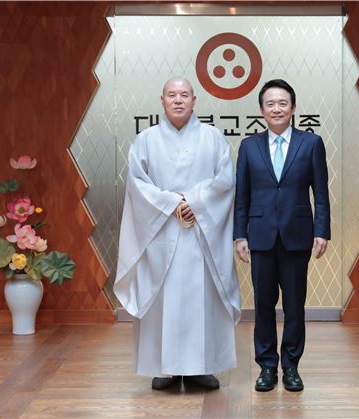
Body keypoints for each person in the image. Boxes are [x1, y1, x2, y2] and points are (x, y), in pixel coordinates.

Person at [114, 77, 241, 391]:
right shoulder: (145, 140)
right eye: (172, 95)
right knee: (162, 301)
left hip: (202, 234)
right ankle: (164, 367)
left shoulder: (213, 138)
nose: (178, 100)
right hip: (160, 232)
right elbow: (137, 185)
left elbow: (225, 180)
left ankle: (202, 367)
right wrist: (171, 204)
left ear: (195, 100)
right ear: (162, 100)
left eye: (184, 95)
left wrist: (193, 202)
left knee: (203, 299)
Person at [233, 79, 330, 392]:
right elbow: (242, 196)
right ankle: (266, 367)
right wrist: (239, 235)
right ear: (262, 110)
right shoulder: (249, 146)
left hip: (297, 235)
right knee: (262, 305)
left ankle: (291, 366)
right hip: (259, 236)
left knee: (294, 305)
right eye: (270, 104)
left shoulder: (311, 143)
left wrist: (322, 230)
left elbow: (321, 193)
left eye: (282, 103)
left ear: (293, 108)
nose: (277, 108)